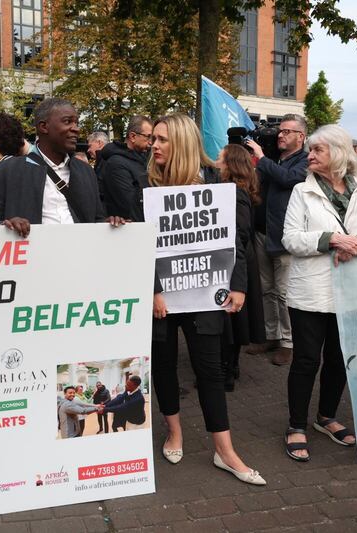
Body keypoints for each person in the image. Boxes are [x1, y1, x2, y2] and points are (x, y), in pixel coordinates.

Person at [149, 114, 264, 485]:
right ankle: (174, 432)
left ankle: (225, 451)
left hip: (203, 295)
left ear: (181, 142)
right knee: (164, 366)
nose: (154, 145)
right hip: (162, 298)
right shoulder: (145, 183)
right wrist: (152, 289)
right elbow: (139, 246)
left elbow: (236, 242)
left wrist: (239, 285)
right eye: (153, 138)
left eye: (162, 139)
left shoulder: (217, 183)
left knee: (210, 370)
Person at [281, 124, 357, 462]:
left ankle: (326, 417)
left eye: (317, 150)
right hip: (311, 291)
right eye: (310, 149)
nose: (309, 155)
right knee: (306, 359)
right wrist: (330, 239)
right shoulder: (302, 191)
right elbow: (290, 238)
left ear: (339, 154)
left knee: (340, 360)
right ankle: (296, 425)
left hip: (353, 289)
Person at [0, 98, 125, 235]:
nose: (76, 129)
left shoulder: (86, 171)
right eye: (67, 121)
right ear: (44, 127)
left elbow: (96, 219)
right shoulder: (6, 171)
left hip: (79, 258)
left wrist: (109, 225)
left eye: (76, 122)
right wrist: (7, 226)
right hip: (32, 259)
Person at [246, 114, 309, 366]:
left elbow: (288, 180)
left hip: (285, 238)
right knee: (266, 290)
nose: (280, 135)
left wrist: (261, 159)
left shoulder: (305, 161)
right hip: (263, 233)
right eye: (280, 131)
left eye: (286, 131)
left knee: (284, 293)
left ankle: (288, 342)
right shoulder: (274, 159)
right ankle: (271, 335)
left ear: (300, 136)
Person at [214, 144, 265, 391]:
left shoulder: (234, 192)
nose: (216, 161)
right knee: (233, 318)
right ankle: (230, 367)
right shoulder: (239, 190)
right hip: (241, 258)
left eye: (220, 158)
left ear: (230, 164)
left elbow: (241, 231)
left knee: (229, 318)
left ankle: (227, 370)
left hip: (237, 260)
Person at [100, 115, 153, 221]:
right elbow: (129, 205)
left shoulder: (143, 159)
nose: (151, 142)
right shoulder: (116, 164)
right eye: (148, 137)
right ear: (133, 136)